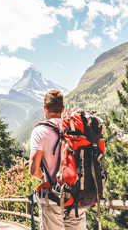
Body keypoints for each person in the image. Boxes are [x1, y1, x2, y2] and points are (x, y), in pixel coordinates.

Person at [29, 90, 86, 230]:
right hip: (76, 196)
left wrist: (44, 178)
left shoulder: (40, 131)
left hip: (52, 198)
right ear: (63, 108)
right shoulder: (76, 129)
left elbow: (34, 171)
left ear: (44, 108)